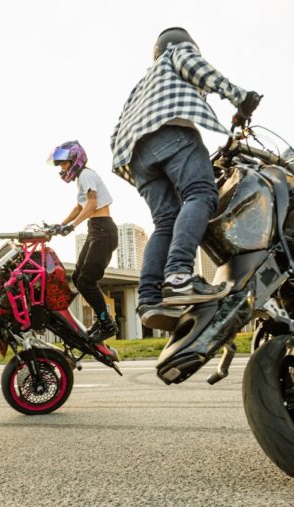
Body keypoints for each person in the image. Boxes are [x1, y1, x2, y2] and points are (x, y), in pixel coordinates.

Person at [110, 27, 260, 329]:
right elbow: (199, 70)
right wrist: (240, 98)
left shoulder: (141, 85)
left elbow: (117, 130)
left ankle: (149, 297)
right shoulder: (175, 53)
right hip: (171, 133)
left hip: (134, 154)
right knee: (202, 194)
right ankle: (179, 277)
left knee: (166, 220)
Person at [48, 140, 120, 346]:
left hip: (103, 230)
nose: (62, 168)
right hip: (96, 229)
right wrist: (59, 225)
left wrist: (72, 227)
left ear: (75, 160)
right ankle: (102, 319)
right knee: (79, 278)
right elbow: (79, 207)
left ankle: (107, 324)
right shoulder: (83, 178)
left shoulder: (87, 174)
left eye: (64, 163)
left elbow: (92, 203)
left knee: (87, 280)